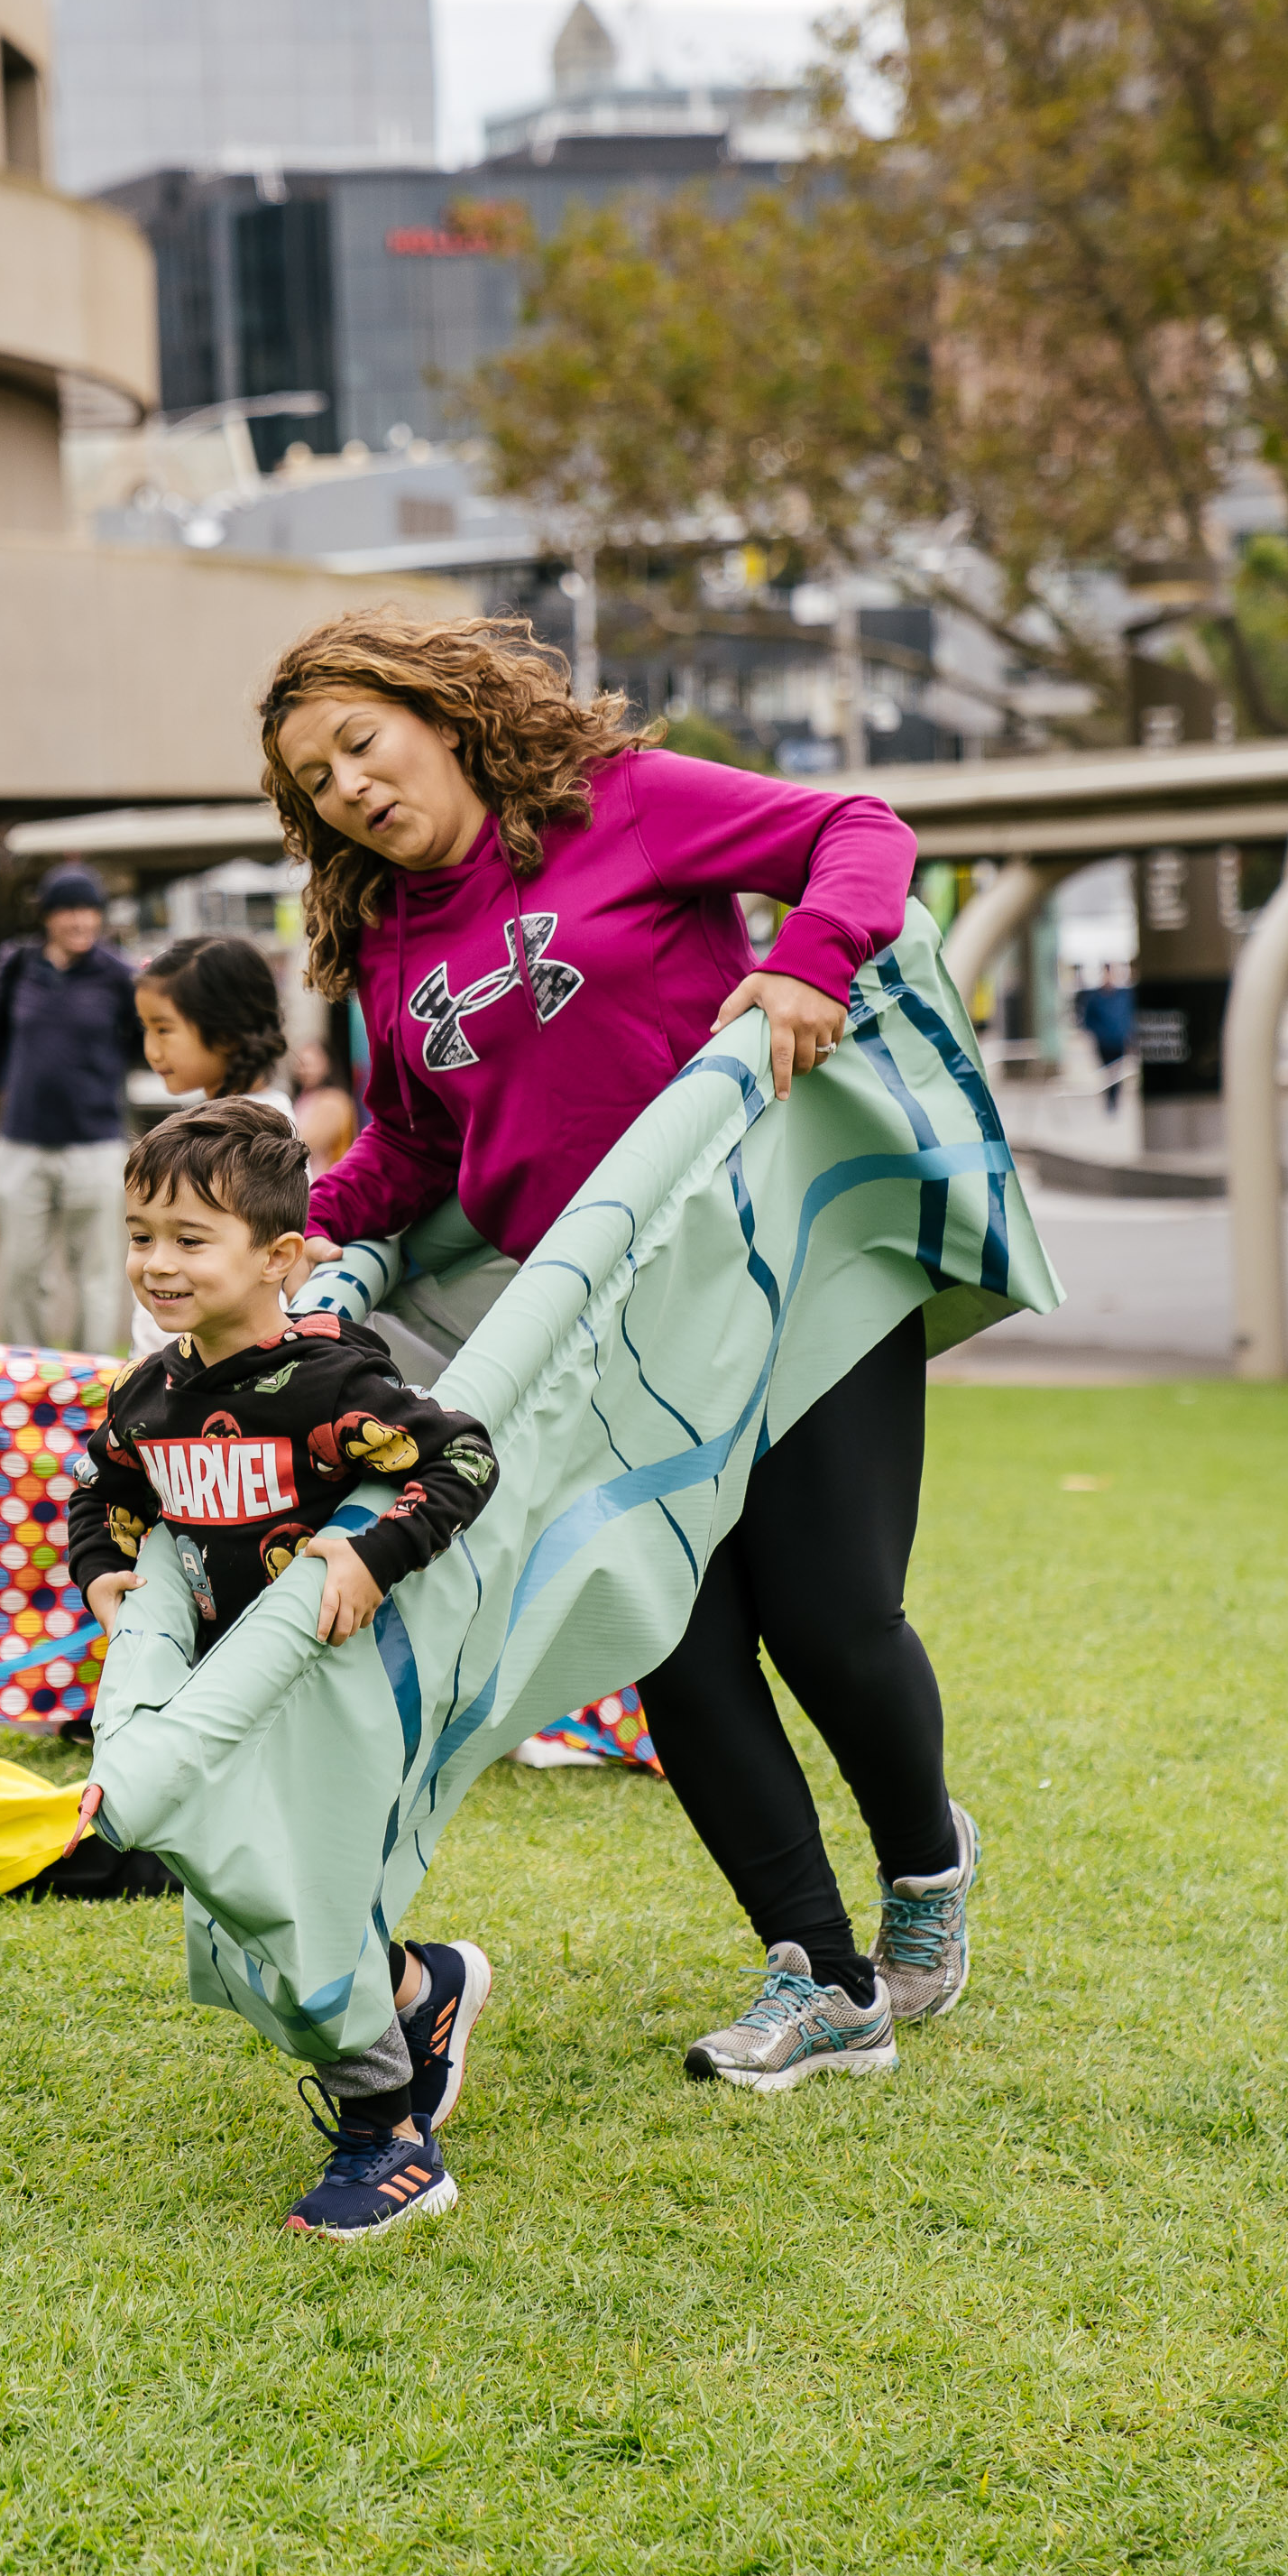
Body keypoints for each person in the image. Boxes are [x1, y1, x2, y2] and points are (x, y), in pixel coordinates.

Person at [266, 608, 979, 2093]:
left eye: (359, 744)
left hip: (776, 1273)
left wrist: (808, 962)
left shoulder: (618, 806)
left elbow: (856, 830)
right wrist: (300, 1239)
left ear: (438, 714)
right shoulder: (388, 942)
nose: (348, 788)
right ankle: (820, 1978)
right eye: (314, 782)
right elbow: (417, 1144)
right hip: (602, 1337)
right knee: (675, 1644)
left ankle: (924, 1864)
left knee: (831, 1620)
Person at [67, 1095, 500, 2238]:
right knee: (252, 1888)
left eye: (189, 1238)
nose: (157, 1263)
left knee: (299, 1898)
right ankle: (421, 1987)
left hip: (335, 1689)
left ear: (279, 1257)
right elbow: (104, 1489)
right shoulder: (151, 1392)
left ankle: (392, 2139)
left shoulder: (327, 1384)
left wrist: (368, 1549)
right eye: (141, 1235)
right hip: (224, 1694)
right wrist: (102, 1572)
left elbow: (461, 1457)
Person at [0, 864, 141, 1352]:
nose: (80, 921)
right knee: (22, 1270)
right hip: (21, 1143)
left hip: (95, 1144)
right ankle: (28, 1370)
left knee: (96, 1272)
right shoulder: (18, 966)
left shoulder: (118, 975)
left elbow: (144, 1036)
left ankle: (94, 1376)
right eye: (68, 910)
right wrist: (1, 1085)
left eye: (90, 910)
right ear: (48, 916)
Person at [127, 934, 292, 1358]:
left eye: (164, 1029)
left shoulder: (262, 1139)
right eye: (146, 1029)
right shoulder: (206, 1126)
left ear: (227, 1030)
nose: (151, 1049)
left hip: (212, 1372)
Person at [289, 1033, 358, 1168]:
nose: (305, 1070)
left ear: (326, 1063)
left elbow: (305, 1142)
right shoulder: (303, 1098)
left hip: (327, 1175)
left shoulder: (334, 1100)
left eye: (310, 1064)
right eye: (301, 1064)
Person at [1075, 960, 1136, 1112]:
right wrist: (1098, 1033)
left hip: (1119, 1041)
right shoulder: (1095, 998)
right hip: (1104, 1042)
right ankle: (1110, 1099)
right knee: (1107, 1072)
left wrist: (1130, 1035)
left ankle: (1113, 1101)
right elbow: (1087, 1020)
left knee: (1117, 1073)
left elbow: (1129, 1017)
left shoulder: (1124, 995)